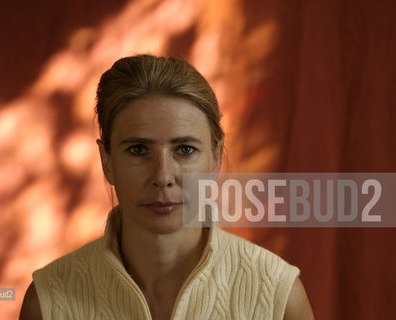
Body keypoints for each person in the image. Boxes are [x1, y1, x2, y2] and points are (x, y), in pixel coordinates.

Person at [20, 54, 314, 319]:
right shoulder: (48, 302)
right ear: (106, 161)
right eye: (138, 150)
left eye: (184, 149)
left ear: (214, 158)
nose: (162, 176)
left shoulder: (278, 296)